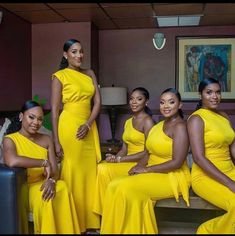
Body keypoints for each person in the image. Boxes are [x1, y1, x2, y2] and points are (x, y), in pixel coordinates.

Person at [100, 88, 191, 234]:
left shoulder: (180, 127)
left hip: (173, 176)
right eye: (162, 102)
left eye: (171, 102)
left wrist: (146, 170)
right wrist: (137, 167)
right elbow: (148, 153)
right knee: (113, 184)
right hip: (154, 171)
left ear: (179, 105)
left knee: (124, 188)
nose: (166, 106)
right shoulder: (158, 126)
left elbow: (177, 162)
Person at [3, 100, 80, 234]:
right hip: (25, 188)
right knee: (47, 198)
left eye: (40, 119)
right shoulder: (10, 139)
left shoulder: (46, 139)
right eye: (31, 117)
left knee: (63, 187)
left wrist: (52, 181)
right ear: (21, 117)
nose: (36, 123)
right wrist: (43, 162)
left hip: (45, 182)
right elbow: (12, 161)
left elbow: (55, 171)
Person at [50, 38, 101, 233]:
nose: (79, 55)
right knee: (73, 171)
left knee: (90, 172)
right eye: (74, 52)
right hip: (69, 126)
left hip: (88, 126)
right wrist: (56, 140)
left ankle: (91, 221)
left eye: (81, 51)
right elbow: (55, 110)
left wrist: (88, 124)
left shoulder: (90, 74)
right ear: (65, 55)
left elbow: (97, 102)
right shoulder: (59, 76)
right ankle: (72, 222)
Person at [93, 87, 155, 215]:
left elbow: (148, 152)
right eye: (132, 99)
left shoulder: (148, 122)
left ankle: (105, 214)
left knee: (103, 170)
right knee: (103, 165)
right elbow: (124, 149)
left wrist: (120, 159)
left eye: (139, 99)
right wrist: (114, 158)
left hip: (141, 164)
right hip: (127, 161)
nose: (134, 102)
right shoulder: (128, 122)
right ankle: (106, 212)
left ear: (146, 102)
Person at [187, 78, 235, 234]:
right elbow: (199, 158)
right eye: (209, 92)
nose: (215, 96)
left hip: (229, 170)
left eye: (218, 92)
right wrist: (230, 183)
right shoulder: (196, 119)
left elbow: (233, 149)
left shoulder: (224, 116)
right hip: (205, 176)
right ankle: (207, 230)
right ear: (200, 95)